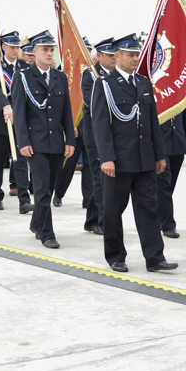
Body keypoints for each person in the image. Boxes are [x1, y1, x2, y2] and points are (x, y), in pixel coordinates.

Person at [90, 33, 177, 273]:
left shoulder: (143, 83)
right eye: (130, 54)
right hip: (118, 161)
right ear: (116, 56)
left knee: (149, 209)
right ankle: (116, 256)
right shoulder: (104, 84)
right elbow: (100, 124)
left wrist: (159, 155)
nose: (135, 58)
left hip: (144, 159)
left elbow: (152, 123)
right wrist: (106, 157)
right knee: (113, 210)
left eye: (136, 54)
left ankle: (155, 257)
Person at [12, 31, 75, 249]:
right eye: (45, 50)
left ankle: (36, 223)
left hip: (56, 141)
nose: (49, 53)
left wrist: (70, 140)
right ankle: (47, 234)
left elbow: (66, 111)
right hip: (35, 142)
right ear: (34, 52)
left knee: (50, 185)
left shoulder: (60, 77)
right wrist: (23, 142)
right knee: (42, 188)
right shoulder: (22, 77)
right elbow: (19, 113)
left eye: (51, 50)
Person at [0, 31, 34, 213]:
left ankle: (24, 200)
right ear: (4, 47)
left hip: (20, 121)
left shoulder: (24, 66)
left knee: (20, 159)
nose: (16, 50)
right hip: (1, 120)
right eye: (12, 47)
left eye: (17, 47)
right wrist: (6, 106)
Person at [80, 37, 117, 236]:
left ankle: (91, 219)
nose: (113, 58)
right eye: (109, 55)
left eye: (114, 55)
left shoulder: (117, 75)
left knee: (104, 178)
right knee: (100, 177)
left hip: (114, 134)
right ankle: (104, 221)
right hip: (94, 134)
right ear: (99, 56)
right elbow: (90, 102)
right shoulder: (89, 75)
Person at [53, 36, 94, 210]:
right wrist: (70, 125)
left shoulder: (94, 73)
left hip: (91, 126)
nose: (87, 53)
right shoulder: (66, 73)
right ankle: (58, 194)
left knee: (90, 166)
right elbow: (63, 102)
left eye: (89, 50)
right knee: (68, 165)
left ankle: (88, 199)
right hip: (74, 125)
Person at [158, 108, 186, 238]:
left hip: (178, 141)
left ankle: (160, 216)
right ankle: (168, 225)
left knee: (170, 184)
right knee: (164, 185)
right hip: (160, 143)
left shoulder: (176, 88)